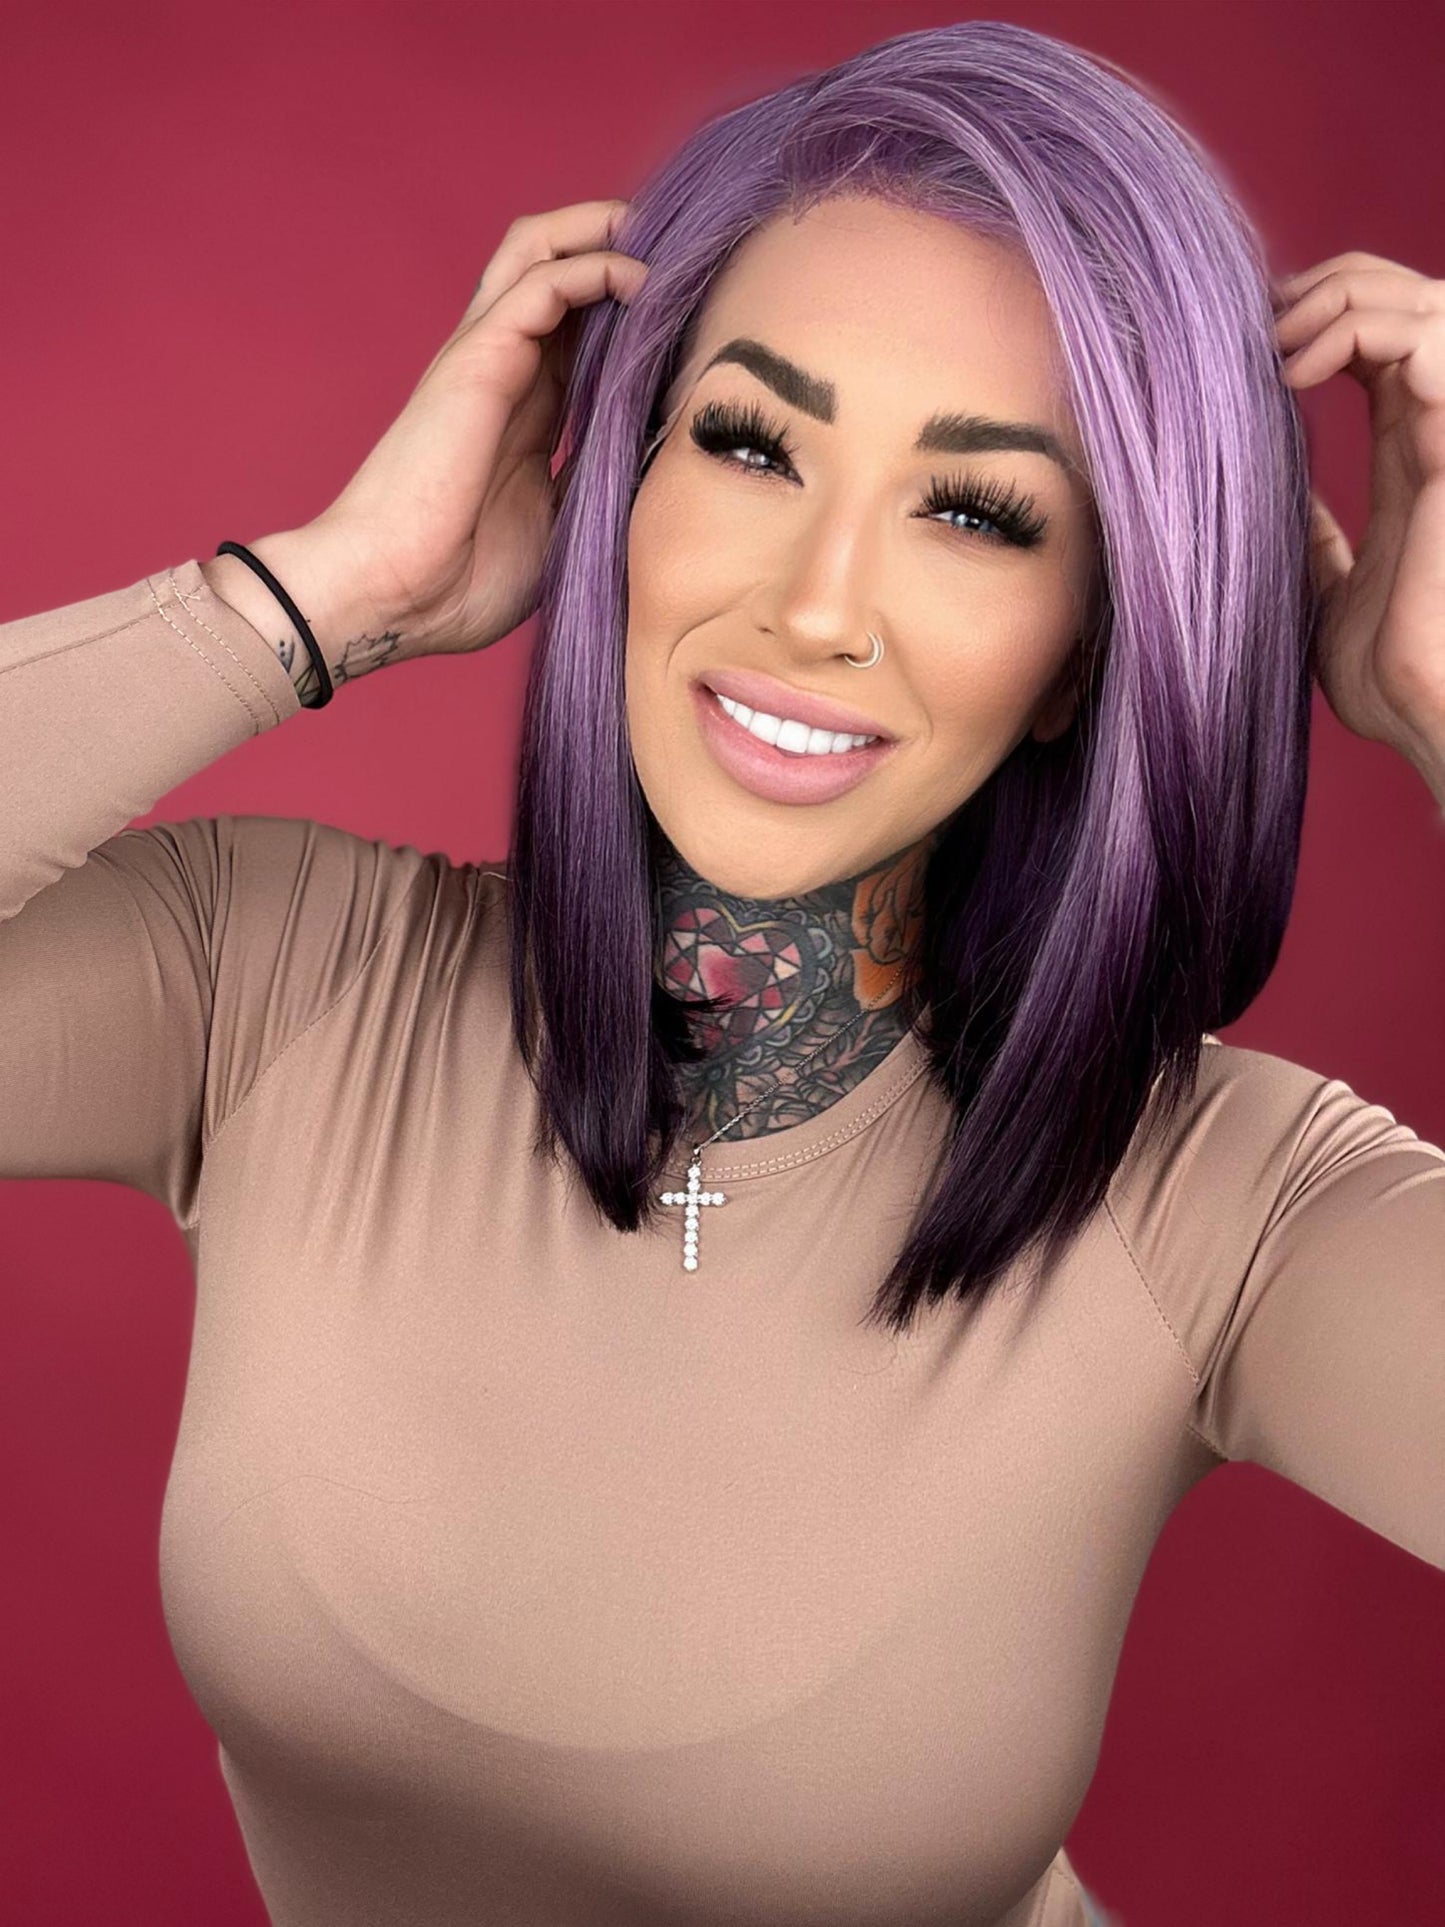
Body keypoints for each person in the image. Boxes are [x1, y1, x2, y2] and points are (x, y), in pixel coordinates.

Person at [2, 18, 1442, 1927]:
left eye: (975, 512)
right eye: (754, 445)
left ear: (1090, 650)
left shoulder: (1219, 1208)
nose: (814, 606)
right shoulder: (272, 986)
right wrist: (321, 593)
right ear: (622, 480)